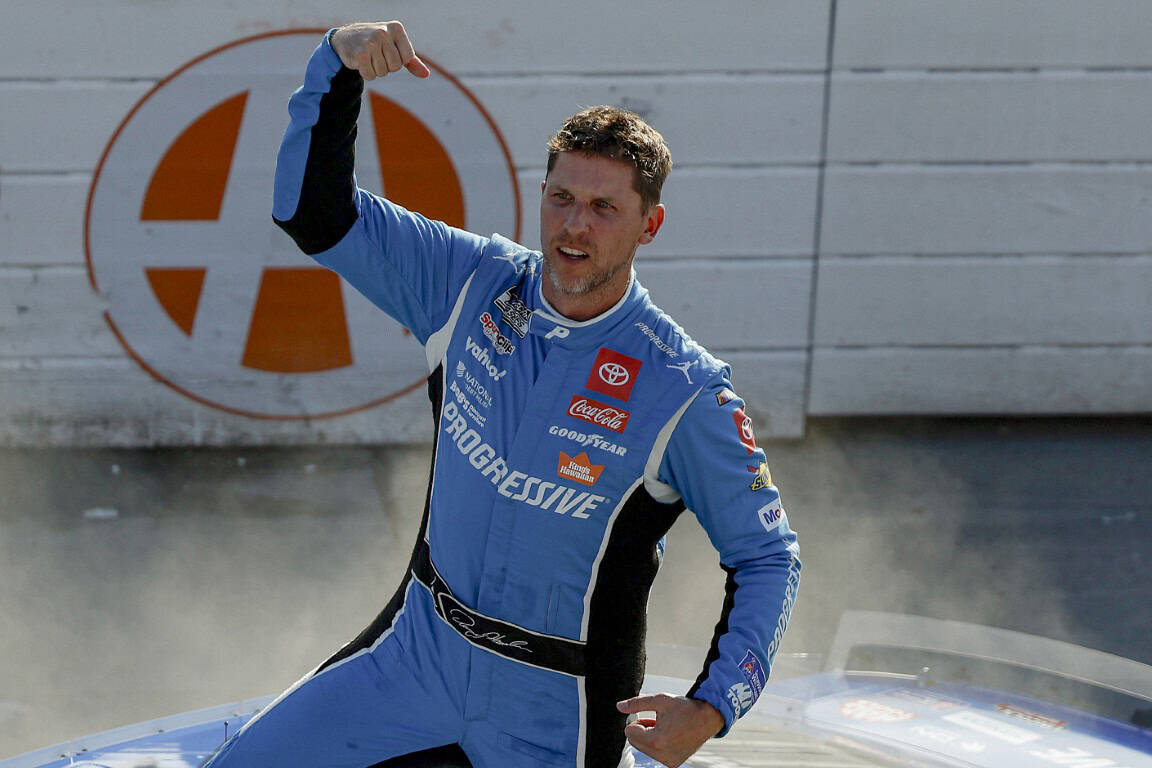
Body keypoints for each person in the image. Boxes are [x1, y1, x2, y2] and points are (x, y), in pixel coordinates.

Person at [203, 21, 800, 768]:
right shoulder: (471, 281)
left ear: (651, 224)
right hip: (416, 655)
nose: (573, 227)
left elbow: (769, 556)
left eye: (603, 208)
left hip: (555, 707)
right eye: (560, 198)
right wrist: (337, 65)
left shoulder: (685, 389)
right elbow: (313, 213)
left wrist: (713, 706)